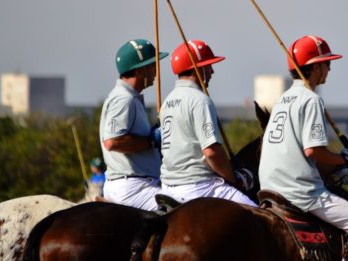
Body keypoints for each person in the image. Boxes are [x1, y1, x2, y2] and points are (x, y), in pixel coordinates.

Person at [258, 35, 348, 231]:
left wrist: (335, 169)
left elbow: (296, 155)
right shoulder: (311, 99)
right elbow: (313, 152)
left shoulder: (283, 99)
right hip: (301, 194)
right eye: (326, 63)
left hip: (268, 188)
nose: (329, 68)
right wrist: (345, 159)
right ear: (315, 67)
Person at [158, 40, 257, 206]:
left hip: (167, 188)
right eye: (208, 66)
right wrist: (234, 178)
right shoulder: (200, 100)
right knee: (262, 221)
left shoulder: (167, 101)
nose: (211, 71)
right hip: (199, 187)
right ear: (198, 69)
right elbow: (211, 152)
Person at [99, 38, 168, 211]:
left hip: (134, 184)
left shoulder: (129, 96)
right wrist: (150, 141)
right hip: (132, 188)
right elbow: (112, 141)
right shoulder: (124, 98)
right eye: (152, 66)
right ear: (140, 71)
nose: (156, 72)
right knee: (181, 215)